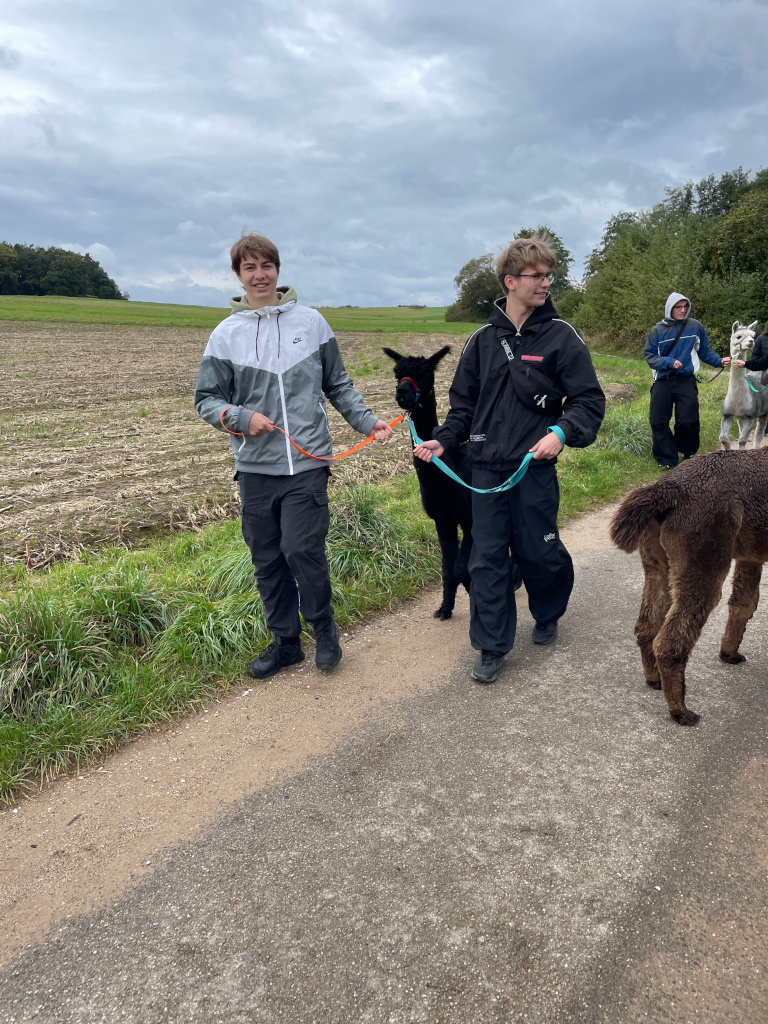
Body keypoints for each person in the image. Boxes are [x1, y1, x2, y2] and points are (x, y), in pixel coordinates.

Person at [194, 233, 393, 679]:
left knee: (302, 550)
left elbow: (338, 384)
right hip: (255, 469)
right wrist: (243, 418)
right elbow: (206, 399)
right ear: (239, 276)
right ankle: (285, 644)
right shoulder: (226, 335)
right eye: (250, 268)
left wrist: (368, 422)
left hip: (308, 464)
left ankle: (323, 631)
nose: (259, 274)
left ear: (278, 271)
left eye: (266, 265)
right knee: (266, 560)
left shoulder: (313, 322)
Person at [412, 236, 605, 684]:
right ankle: (491, 645)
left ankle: (549, 608)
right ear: (510, 281)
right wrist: (443, 440)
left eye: (548, 275)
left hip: (533, 469)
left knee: (540, 551)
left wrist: (561, 431)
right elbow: (462, 408)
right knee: (486, 559)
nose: (546, 283)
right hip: (484, 470)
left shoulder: (561, 337)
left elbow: (588, 401)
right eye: (537, 276)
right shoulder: (480, 342)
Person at [644, 293, 732, 469]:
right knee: (658, 420)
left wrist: (718, 361)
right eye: (678, 307)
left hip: (685, 380)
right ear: (670, 308)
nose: (682, 310)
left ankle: (688, 453)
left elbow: (705, 351)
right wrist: (668, 362)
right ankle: (667, 459)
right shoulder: (657, 331)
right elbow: (649, 356)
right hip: (663, 380)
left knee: (687, 420)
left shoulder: (695, 327)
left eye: (685, 306)